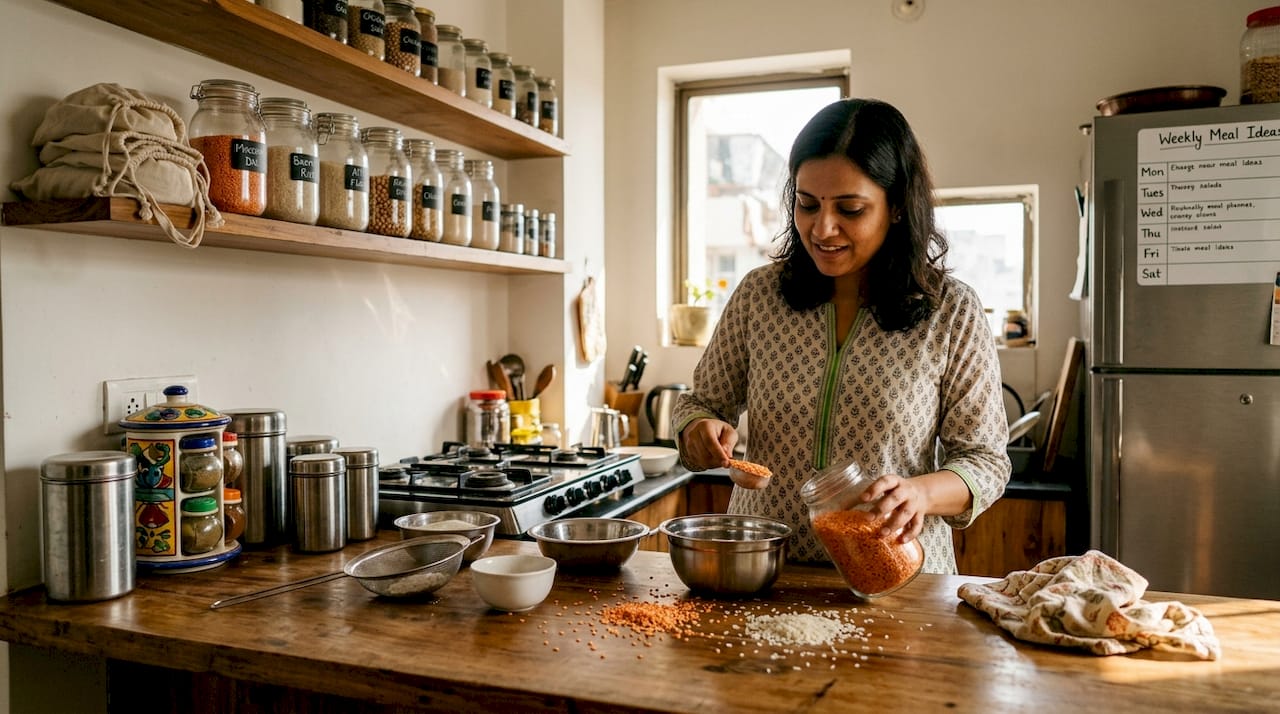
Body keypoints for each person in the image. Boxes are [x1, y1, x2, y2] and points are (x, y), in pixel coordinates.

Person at [672, 98, 1010, 575]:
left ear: (895, 207)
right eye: (807, 205)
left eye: (850, 209)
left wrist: (921, 493)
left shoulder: (950, 311)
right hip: (766, 574)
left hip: (894, 579)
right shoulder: (759, 295)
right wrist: (699, 432)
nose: (822, 229)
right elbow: (700, 403)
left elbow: (986, 461)